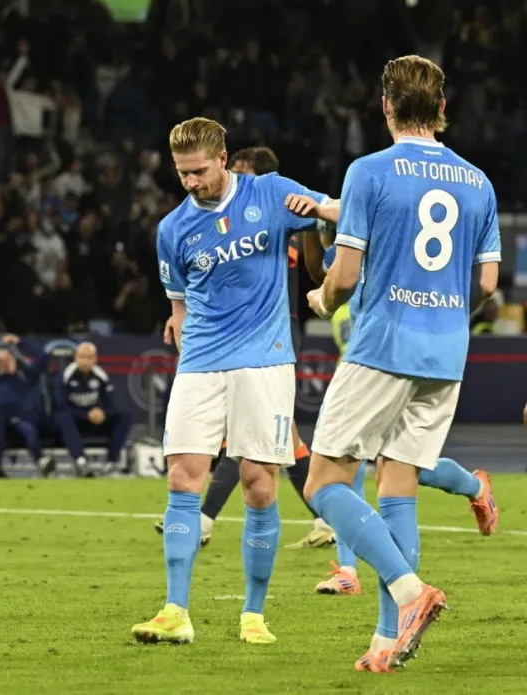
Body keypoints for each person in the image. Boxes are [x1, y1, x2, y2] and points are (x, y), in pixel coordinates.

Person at [300, 55, 500, 672]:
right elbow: (488, 282)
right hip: (446, 353)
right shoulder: (478, 181)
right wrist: (442, 310)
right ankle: (388, 641)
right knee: (398, 486)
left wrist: (324, 296)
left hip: (383, 347)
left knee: (325, 484)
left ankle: (410, 594)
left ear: (386, 107)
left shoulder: (369, 171)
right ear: (442, 110)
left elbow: (347, 272)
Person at [132, 116, 328, 647]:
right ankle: (176, 611)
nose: (190, 182)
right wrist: (176, 317)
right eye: (181, 174)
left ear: (222, 159)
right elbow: (177, 296)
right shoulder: (172, 229)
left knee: (259, 483)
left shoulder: (270, 192)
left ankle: (253, 614)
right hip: (199, 361)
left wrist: (323, 218)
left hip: (264, 360)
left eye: (198, 171)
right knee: (181, 478)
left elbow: (337, 212)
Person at [296, 232, 498, 598]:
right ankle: (350, 572)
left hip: (399, 364)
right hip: (367, 373)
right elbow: (319, 268)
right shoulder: (351, 261)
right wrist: (311, 225)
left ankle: (475, 486)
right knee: (354, 471)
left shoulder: (396, 254)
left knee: (404, 469)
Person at [155, 147, 335, 548]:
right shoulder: (193, 224)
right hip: (230, 339)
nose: (230, 177)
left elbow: (315, 267)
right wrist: (183, 312)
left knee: (254, 442)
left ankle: (205, 517)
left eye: (240, 170)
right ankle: (325, 516)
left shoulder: (276, 208)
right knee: (279, 440)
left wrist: (323, 226)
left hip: (271, 335)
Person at [0, 334, 55, 479]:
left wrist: (21, 343)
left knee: (27, 428)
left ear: (15, 359)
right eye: (1, 361)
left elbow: (43, 357)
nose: (5, 363)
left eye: (9, 358)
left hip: (20, 422)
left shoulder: (26, 376)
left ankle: (41, 461)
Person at [52, 341, 130, 477]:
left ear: (95, 359)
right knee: (62, 416)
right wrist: (86, 415)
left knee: (123, 416)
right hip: (74, 421)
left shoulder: (101, 376)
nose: (85, 361)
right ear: (75, 357)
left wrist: (102, 412)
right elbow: (61, 405)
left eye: (89, 357)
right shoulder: (65, 376)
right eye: (82, 357)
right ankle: (81, 462)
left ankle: (111, 463)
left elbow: (110, 404)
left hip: (96, 421)